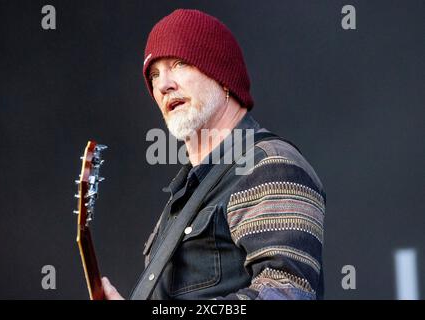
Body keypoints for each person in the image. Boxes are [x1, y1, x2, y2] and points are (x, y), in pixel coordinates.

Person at [101, 8, 326, 300]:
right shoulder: (183, 197)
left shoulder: (269, 165)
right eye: (154, 74)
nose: (163, 84)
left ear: (223, 77)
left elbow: (285, 294)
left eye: (179, 63)